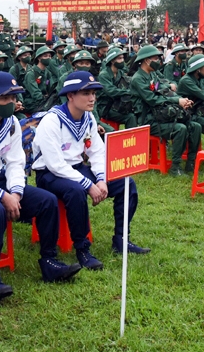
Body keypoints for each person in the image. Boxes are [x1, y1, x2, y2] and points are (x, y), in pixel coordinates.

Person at [0, 72, 82, 301]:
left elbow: (15, 162)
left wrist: (16, 192)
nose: (11, 103)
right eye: (4, 99)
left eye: (13, 98)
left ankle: (49, 261)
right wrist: (2, 196)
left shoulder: (11, 124)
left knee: (46, 201)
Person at [33, 70, 150, 269]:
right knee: (76, 191)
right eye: (86, 94)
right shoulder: (52, 120)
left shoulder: (88, 118)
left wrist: (102, 179)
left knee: (125, 183)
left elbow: (97, 152)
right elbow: (55, 164)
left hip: (76, 168)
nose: (92, 98)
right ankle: (82, 249)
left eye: (94, 93)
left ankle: (121, 238)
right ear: (70, 96)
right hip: (50, 174)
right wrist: (89, 184)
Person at [129, 45, 196, 175]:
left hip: (161, 114)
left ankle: (191, 161)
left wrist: (181, 99)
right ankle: (175, 166)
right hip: (148, 119)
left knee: (195, 126)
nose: (158, 61)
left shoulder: (153, 74)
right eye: (155, 58)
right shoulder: (138, 78)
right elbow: (152, 99)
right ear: (146, 60)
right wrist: (177, 101)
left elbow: (164, 89)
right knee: (180, 128)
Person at [96, 48, 137, 129]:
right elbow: (111, 91)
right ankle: (129, 139)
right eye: (119, 58)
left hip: (118, 104)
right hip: (106, 107)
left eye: (122, 58)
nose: (122, 60)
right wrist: (128, 92)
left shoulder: (120, 72)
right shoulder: (104, 75)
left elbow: (129, 83)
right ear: (112, 61)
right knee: (130, 117)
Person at [22, 46, 58, 114]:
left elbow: (51, 89)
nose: (48, 58)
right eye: (45, 56)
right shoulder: (31, 73)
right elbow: (35, 94)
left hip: (44, 101)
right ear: (39, 58)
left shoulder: (47, 73)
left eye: (50, 56)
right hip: (32, 103)